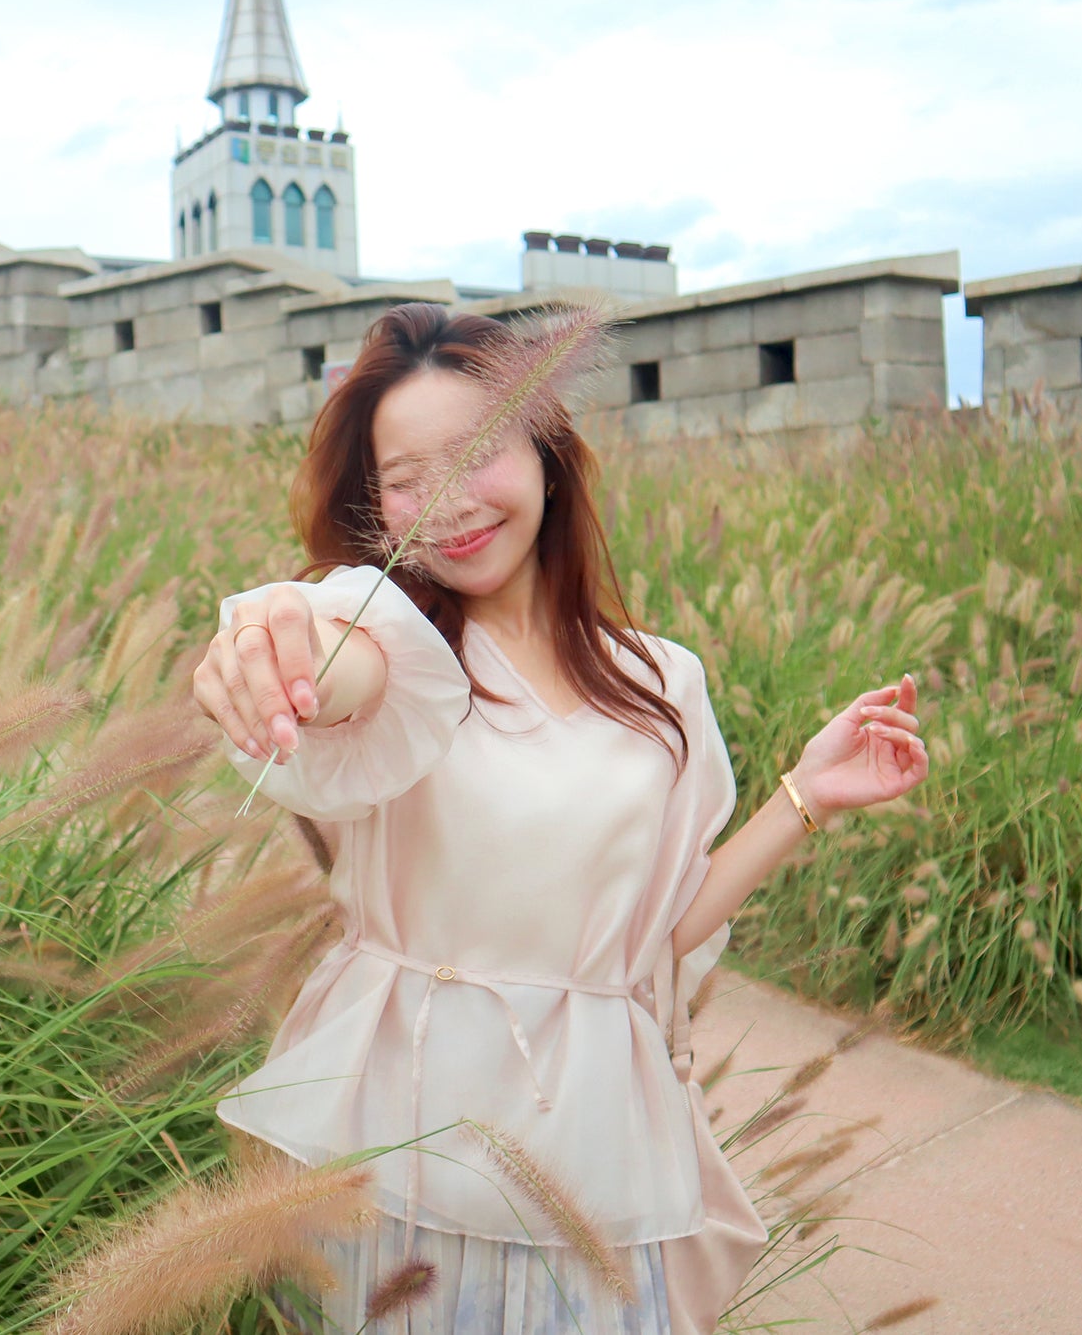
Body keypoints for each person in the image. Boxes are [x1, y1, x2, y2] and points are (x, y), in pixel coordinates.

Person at [190, 303, 929, 1335]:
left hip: (588, 1139)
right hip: (408, 1131)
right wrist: (277, 649)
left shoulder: (661, 682)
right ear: (375, 507)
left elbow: (654, 936)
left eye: (477, 452)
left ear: (547, 453)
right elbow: (333, 658)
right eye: (405, 478)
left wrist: (804, 795)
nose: (448, 500)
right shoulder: (397, 647)